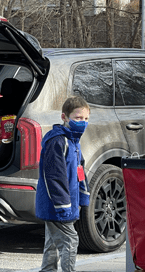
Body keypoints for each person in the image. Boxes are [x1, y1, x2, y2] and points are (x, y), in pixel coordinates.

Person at [35, 96, 91, 272]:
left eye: (86, 119)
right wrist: (63, 206)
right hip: (57, 205)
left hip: (68, 204)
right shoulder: (58, 141)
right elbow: (54, 177)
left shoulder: (74, 141)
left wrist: (83, 196)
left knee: (52, 243)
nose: (82, 122)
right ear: (64, 117)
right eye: (77, 118)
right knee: (70, 240)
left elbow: (80, 172)